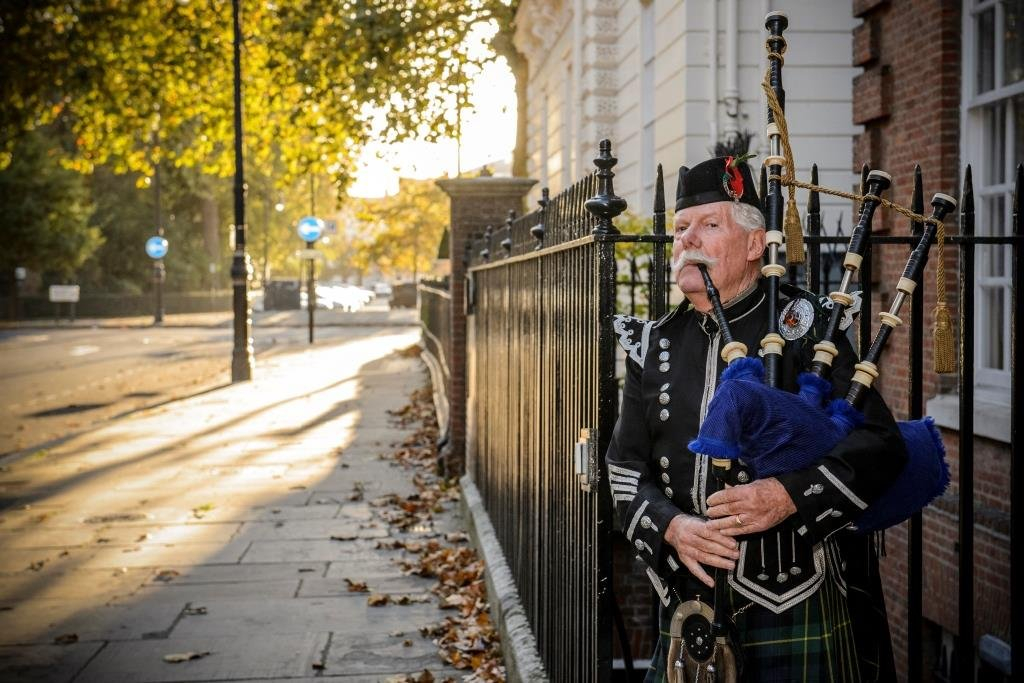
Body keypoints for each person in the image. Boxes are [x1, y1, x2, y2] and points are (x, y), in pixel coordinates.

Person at [607, 156, 903, 682]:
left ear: (753, 245)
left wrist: (787, 494)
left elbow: (880, 444)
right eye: (679, 228)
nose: (686, 239)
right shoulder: (653, 345)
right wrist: (672, 528)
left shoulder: (806, 326)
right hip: (688, 604)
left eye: (708, 224)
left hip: (792, 593)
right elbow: (624, 469)